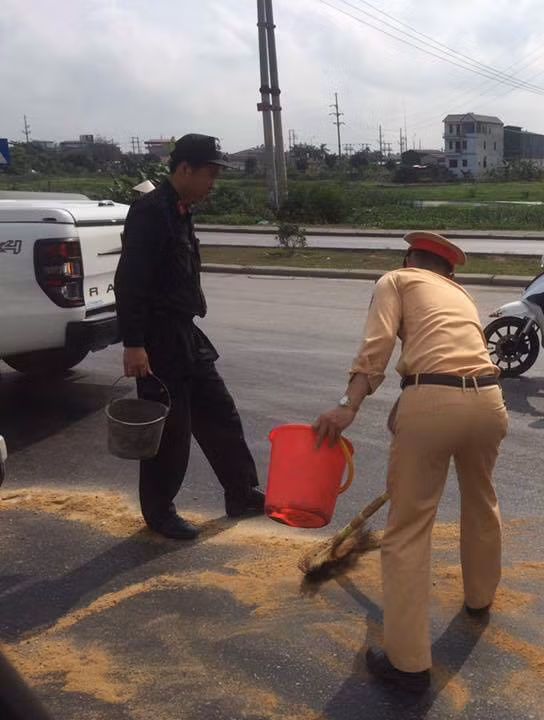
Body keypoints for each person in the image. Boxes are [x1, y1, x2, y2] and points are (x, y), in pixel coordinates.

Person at [312, 231, 509, 695]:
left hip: (433, 405)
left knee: (407, 530)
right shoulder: (460, 294)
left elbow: (376, 348)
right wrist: (411, 400)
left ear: (409, 259)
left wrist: (348, 406)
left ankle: (408, 664)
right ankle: (480, 598)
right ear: (449, 271)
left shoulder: (396, 280)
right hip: (488, 401)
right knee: (482, 500)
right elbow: (452, 357)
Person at [114, 133, 265, 540]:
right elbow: (129, 282)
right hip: (157, 339)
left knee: (220, 412)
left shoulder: (180, 209)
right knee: (172, 431)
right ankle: (159, 513)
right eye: (210, 173)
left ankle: (241, 492)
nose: (213, 182)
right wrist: (133, 343)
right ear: (185, 169)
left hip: (185, 333)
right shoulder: (150, 211)